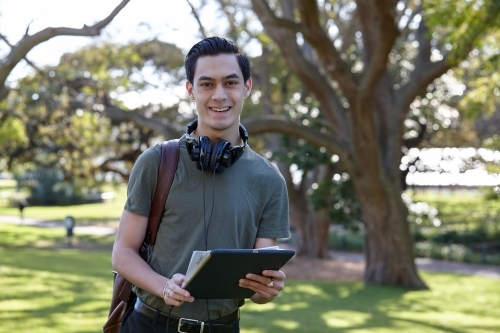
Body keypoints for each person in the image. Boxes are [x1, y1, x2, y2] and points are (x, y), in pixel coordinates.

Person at [112, 36, 290, 333]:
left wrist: (267, 288)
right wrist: (164, 286)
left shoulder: (269, 180)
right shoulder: (156, 161)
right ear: (191, 90)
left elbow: (260, 282)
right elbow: (123, 252)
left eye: (230, 83)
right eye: (207, 84)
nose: (219, 95)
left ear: (247, 86)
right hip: (149, 325)